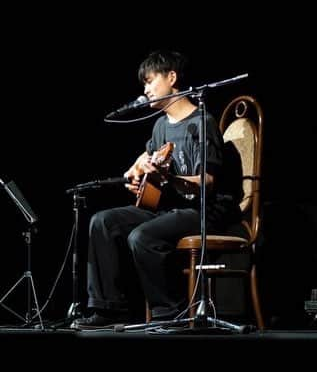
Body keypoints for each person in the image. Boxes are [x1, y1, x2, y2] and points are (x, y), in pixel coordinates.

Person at [72, 50, 240, 329]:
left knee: (142, 236)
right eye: (144, 85)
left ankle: (170, 313)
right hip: (170, 208)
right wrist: (136, 174)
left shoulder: (202, 122)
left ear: (172, 78)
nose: (146, 89)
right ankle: (109, 308)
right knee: (103, 222)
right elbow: (146, 158)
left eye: (150, 81)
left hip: (203, 209)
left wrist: (170, 178)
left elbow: (208, 182)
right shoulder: (161, 126)